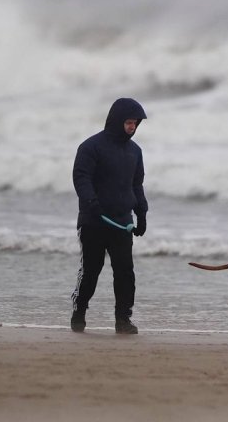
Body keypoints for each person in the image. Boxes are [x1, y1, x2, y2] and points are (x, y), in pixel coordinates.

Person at [70, 97, 149, 334]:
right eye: (129, 122)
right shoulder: (90, 147)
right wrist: (90, 201)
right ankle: (79, 312)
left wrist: (142, 213)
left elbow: (137, 185)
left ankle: (123, 319)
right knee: (91, 271)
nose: (132, 127)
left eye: (136, 123)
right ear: (116, 121)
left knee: (125, 273)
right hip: (94, 220)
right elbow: (81, 177)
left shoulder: (135, 151)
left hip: (122, 222)